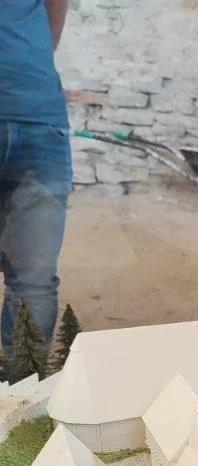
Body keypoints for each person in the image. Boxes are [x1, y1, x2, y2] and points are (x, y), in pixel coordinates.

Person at [0, 0, 71, 354]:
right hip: (37, 109)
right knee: (34, 282)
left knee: (34, 282)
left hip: (38, 114)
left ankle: (20, 386)